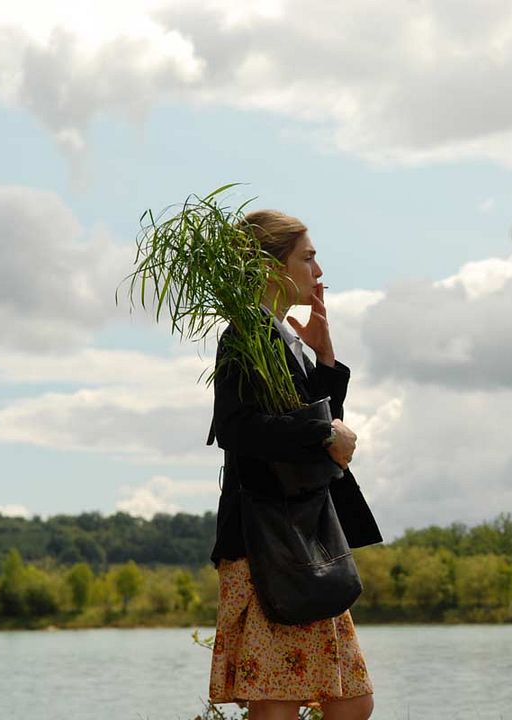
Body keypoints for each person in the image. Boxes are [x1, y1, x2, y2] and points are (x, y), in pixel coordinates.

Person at [205, 210, 382, 720]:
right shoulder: (245, 335)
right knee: (278, 704)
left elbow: (308, 444)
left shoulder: (282, 335)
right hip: (268, 543)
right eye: (307, 258)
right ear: (270, 266)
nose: (319, 271)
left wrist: (325, 361)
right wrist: (324, 429)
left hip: (302, 539)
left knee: (351, 703)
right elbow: (237, 429)